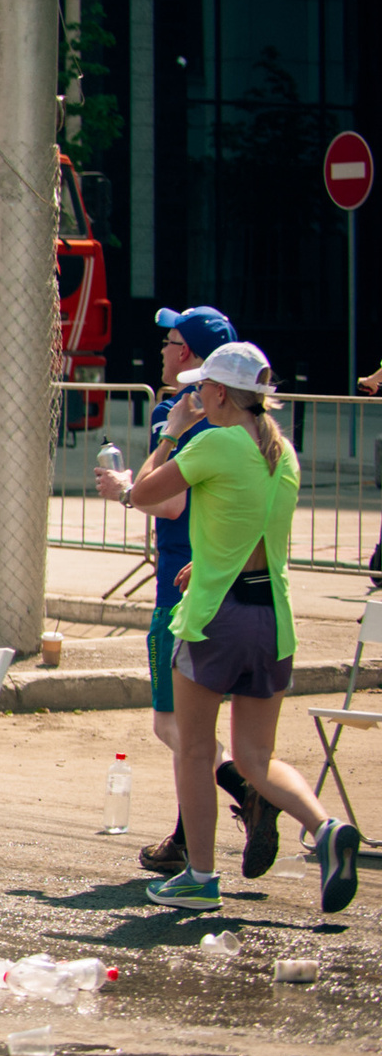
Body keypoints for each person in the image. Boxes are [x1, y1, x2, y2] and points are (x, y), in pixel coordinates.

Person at [131, 342, 360, 915]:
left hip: (216, 619)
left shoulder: (214, 441)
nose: (194, 394)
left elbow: (141, 493)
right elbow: (248, 527)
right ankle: (325, 826)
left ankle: (200, 878)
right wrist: (205, 564)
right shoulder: (282, 453)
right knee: (256, 756)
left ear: (220, 393)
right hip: (271, 618)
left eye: (200, 387)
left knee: (194, 748)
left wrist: (170, 433)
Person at [93, 304, 273, 878]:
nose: (163, 351)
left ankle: (241, 797)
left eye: (172, 342)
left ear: (192, 355)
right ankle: (193, 832)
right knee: (199, 730)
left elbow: (163, 501)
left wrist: (126, 486)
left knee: (176, 729)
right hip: (241, 589)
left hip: (184, 579)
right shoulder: (251, 430)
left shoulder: (180, 414)